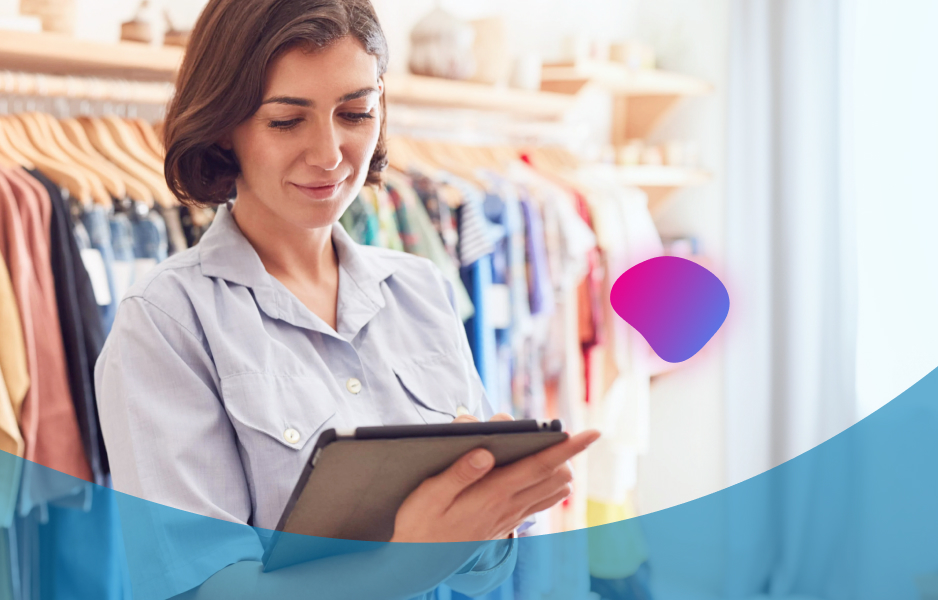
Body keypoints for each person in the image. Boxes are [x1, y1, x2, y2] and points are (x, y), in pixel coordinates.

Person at [93, 0, 601, 598]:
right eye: (287, 121)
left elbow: (482, 574)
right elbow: (204, 586)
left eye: (355, 113)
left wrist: (490, 509)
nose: (330, 154)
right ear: (224, 127)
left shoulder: (421, 288)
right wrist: (406, 562)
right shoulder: (167, 322)